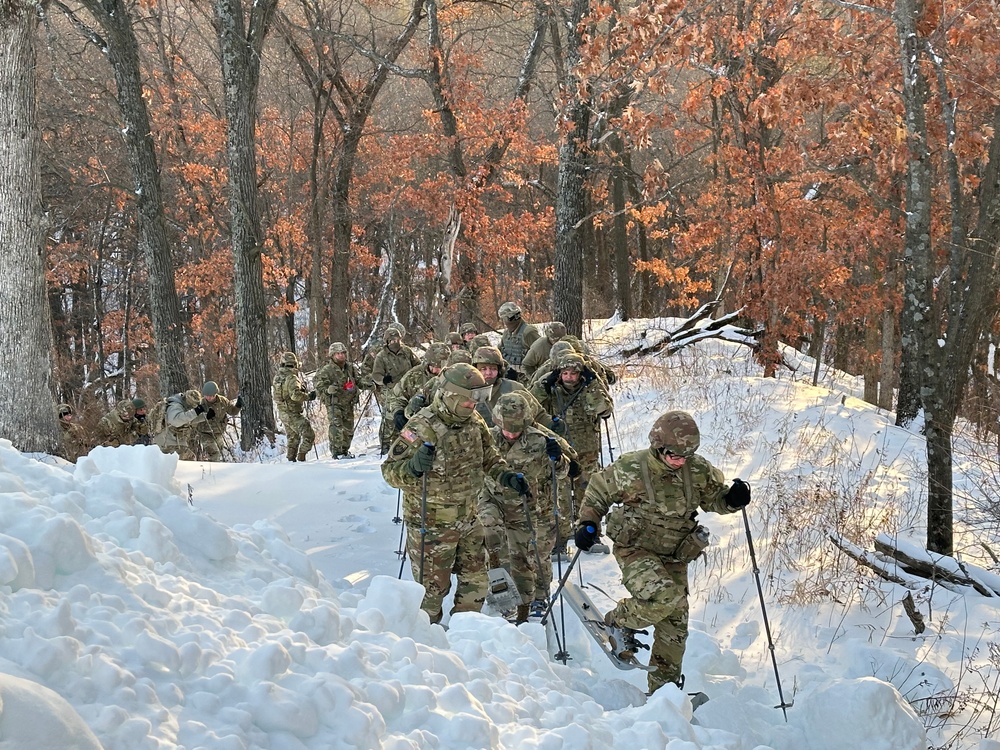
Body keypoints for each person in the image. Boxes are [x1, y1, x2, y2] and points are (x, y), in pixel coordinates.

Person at [574, 410, 751, 694]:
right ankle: (618, 620)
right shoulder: (631, 467)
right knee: (664, 597)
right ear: (658, 447)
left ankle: (663, 694)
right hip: (636, 549)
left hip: (675, 554)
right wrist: (587, 523)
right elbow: (597, 493)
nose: (680, 461)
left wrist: (732, 499)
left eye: (686, 455)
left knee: (675, 626)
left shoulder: (697, 470)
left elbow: (716, 500)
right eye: (674, 455)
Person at [381, 363, 526, 624]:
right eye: (469, 400)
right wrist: (413, 467)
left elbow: (489, 457)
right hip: (432, 526)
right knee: (431, 595)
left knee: (477, 583)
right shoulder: (421, 426)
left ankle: (464, 632)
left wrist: (506, 476)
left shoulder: (474, 422)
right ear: (450, 395)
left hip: (469, 519)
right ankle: (427, 642)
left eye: (478, 399)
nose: (474, 406)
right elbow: (390, 472)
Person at [480, 392, 577, 622]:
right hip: (496, 501)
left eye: (517, 429)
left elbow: (565, 473)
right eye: (507, 428)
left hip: (533, 507)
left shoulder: (540, 439)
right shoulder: (488, 439)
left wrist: (558, 459)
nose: (511, 433)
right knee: (492, 541)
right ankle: (502, 593)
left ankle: (539, 597)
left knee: (533, 556)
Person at [530, 351, 613, 553]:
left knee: (588, 494)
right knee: (560, 497)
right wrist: (544, 385)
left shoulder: (589, 388)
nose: (569, 378)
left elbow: (605, 409)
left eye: (573, 374)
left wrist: (592, 383)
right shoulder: (552, 389)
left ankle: (589, 535)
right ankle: (559, 540)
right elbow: (531, 405)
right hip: (561, 453)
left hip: (587, 452)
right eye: (565, 373)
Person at [372, 328, 421, 454]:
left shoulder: (407, 351)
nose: (395, 342)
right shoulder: (381, 356)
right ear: (387, 342)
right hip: (391, 391)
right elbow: (376, 375)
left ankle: (409, 441)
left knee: (409, 416)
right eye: (392, 340)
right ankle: (385, 444)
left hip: (408, 389)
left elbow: (418, 365)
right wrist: (383, 380)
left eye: (397, 339)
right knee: (389, 419)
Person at [315, 342, 367, 458]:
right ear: (332, 355)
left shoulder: (350, 368)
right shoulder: (326, 370)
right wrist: (328, 389)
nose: (341, 355)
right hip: (334, 403)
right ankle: (337, 453)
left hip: (348, 402)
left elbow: (358, 380)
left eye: (343, 353)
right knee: (336, 427)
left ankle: (344, 451)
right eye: (338, 353)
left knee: (348, 429)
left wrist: (367, 384)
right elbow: (318, 386)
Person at [388, 342, 451, 429]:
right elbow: (396, 397)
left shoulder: (452, 378)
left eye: (442, 366)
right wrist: (398, 413)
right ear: (428, 363)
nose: (439, 370)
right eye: (436, 366)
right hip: (417, 424)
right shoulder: (414, 375)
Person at [272, 351, 317, 462]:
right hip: (292, 413)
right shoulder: (292, 378)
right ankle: (301, 457)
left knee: (293, 438)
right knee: (309, 435)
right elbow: (295, 395)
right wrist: (308, 396)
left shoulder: (277, 378)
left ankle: (290, 460)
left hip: (283, 413)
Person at [190, 381, 242, 461]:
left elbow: (233, 411)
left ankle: (213, 469)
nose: (209, 398)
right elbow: (192, 419)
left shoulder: (223, 401)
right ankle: (212, 472)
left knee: (219, 452)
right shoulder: (200, 404)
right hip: (205, 434)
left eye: (211, 396)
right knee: (214, 453)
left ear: (215, 393)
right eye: (206, 396)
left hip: (218, 433)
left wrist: (238, 405)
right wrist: (205, 416)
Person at [155, 390, 208, 460]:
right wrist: (195, 412)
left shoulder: (183, 405)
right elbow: (176, 421)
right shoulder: (175, 406)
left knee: (189, 459)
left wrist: (206, 416)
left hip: (176, 441)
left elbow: (188, 419)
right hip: (167, 442)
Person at [497, 302, 539, 380]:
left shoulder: (528, 332)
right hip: (509, 378)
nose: (503, 322)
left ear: (510, 318)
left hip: (527, 379)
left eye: (504, 319)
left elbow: (540, 355)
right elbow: (500, 353)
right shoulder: (506, 334)